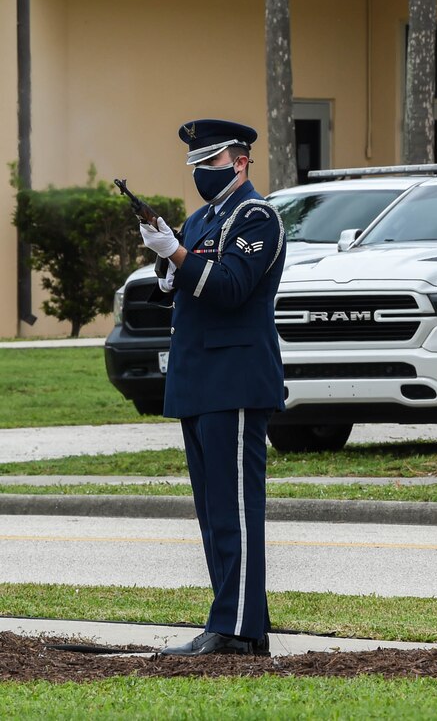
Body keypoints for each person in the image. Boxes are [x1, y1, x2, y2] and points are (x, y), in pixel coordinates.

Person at [138, 119, 286, 655]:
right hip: (199, 378)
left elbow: (229, 286)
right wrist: (167, 257)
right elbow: (182, 288)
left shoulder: (256, 216)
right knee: (213, 513)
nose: (202, 171)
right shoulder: (201, 219)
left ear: (241, 161)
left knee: (235, 511)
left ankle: (237, 630)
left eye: (212, 161)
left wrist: (178, 254)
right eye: (197, 164)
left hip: (235, 378)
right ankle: (237, 623)